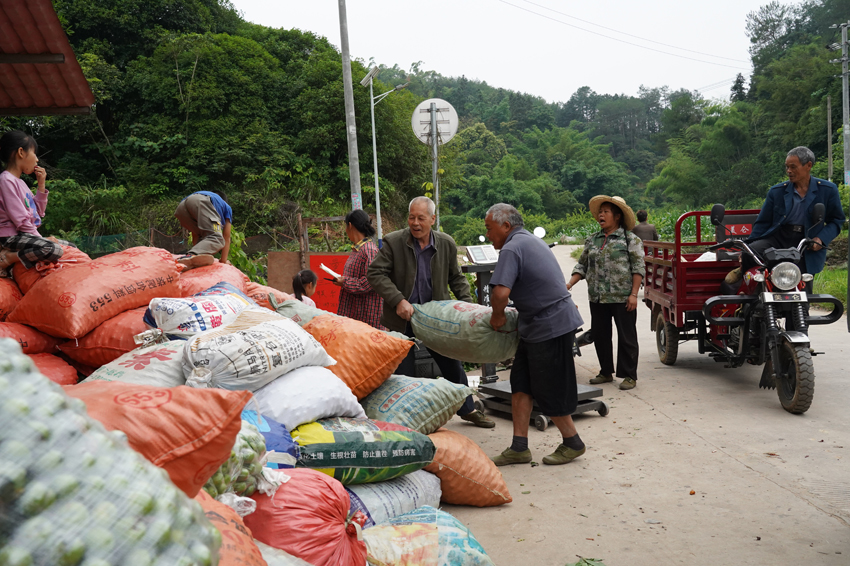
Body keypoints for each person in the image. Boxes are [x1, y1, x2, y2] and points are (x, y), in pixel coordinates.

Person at [367, 196, 494, 428]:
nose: (415, 223)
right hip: (403, 319)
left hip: (437, 318)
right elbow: (375, 273)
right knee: (404, 372)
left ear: (433, 219)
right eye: (411, 218)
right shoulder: (394, 242)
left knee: (452, 365)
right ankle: (407, 422)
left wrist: (468, 308)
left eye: (421, 218)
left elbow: (456, 278)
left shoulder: (445, 243)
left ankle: (467, 409)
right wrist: (398, 300)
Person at [485, 204, 587, 466]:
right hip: (538, 325)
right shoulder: (531, 240)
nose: (488, 235)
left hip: (549, 325)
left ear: (506, 226)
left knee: (547, 386)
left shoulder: (511, 247)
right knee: (521, 383)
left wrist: (497, 316)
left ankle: (573, 442)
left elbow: (500, 293)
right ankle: (519, 447)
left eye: (489, 228)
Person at [566, 195, 645, 391]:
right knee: (601, 335)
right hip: (598, 297)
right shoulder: (592, 239)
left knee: (627, 337)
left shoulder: (630, 239)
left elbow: (638, 268)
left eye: (606, 212)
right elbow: (582, 265)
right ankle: (606, 371)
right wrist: (569, 284)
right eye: (600, 212)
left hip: (622, 297)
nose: (601, 215)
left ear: (617, 216)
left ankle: (629, 375)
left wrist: (633, 294)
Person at [743, 147, 845, 280]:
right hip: (778, 238)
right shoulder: (777, 191)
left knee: (800, 284)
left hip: (805, 242)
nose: (789, 171)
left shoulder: (827, 190)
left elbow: (836, 221)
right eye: (787, 167)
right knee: (749, 253)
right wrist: (748, 247)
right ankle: (741, 282)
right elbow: (763, 223)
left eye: (793, 167)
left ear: (808, 165)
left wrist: (820, 239)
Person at [0, 131, 63, 277]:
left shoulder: (21, 183)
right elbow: (21, 221)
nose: (37, 160)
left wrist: (41, 185)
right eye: (34, 153)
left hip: (25, 235)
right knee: (54, 249)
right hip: (11, 236)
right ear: (21, 152)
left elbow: (38, 212)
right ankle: (8, 257)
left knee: (70, 246)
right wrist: (41, 239)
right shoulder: (6, 180)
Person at [332, 209, 386, 330]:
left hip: (367, 317)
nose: (346, 230)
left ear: (350, 225)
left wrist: (345, 282)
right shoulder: (359, 249)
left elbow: (371, 282)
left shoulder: (369, 250)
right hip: (355, 314)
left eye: (346, 226)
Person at [174, 190, 232, 270]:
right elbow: (226, 236)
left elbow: (195, 235)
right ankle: (191, 255)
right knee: (217, 239)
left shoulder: (206, 195)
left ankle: (190, 257)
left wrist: (198, 254)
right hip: (201, 202)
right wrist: (223, 261)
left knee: (202, 237)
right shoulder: (225, 206)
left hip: (182, 208)